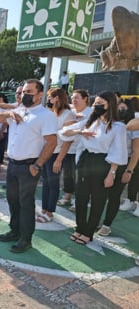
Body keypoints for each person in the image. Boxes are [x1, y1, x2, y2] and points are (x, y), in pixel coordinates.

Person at [0, 79, 57, 253]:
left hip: (29, 166)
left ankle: (26, 239)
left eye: (29, 92)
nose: (24, 95)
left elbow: (51, 143)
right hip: (12, 164)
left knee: (26, 203)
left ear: (40, 95)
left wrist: (38, 165)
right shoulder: (17, 110)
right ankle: (15, 231)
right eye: (22, 92)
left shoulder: (45, 115)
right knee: (12, 200)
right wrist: (8, 114)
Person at [60, 91, 127, 245]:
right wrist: (80, 131)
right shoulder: (90, 121)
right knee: (81, 197)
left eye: (100, 104)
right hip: (85, 160)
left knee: (98, 199)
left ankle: (89, 232)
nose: (96, 106)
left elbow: (118, 152)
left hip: (103, 162)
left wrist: (112, 173)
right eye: (95, 103)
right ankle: (80, 228)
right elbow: (64, 132)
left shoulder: (118, 127)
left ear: (110, 105)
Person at [98, 99, 139, 235]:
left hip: (123, 163)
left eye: (124, 109)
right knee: (100, 193)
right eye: (119, 108)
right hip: (105, 160)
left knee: (114, 196)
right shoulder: (110, 123)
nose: (121, 111)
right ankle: (95, 221)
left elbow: (136, 151)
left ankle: (106, 224)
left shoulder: (133, 126)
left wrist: (129, 170)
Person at [37, 88, 76, 223]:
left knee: (53, 184)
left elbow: (68, 140)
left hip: (57, 153)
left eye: (50, 97)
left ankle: (50, 212)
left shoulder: (68, 115)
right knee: (46, 183)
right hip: (46, 152)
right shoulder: (50, 113)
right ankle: (44, 209)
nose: (48, 99)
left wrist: (59, 159)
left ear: (57, 98)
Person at [57, 89, 92, 210]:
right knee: (68, 174)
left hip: (83, 150)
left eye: (77, 97)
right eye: (72, 98)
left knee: (80, 177)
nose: (73, 100)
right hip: (69, 148)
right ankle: (67, 196)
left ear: (85, 99)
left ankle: (79, 200)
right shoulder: (71, 112)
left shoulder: (91, 113)